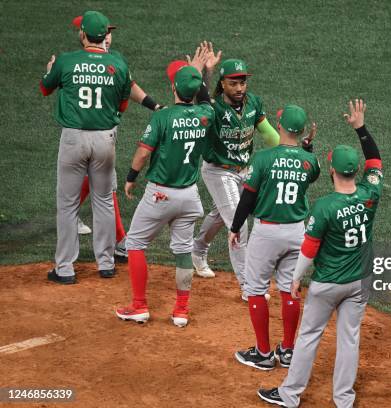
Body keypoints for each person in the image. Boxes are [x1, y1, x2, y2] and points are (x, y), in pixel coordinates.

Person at [257, 99, 383, 407]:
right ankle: (344, 400)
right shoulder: (371, 194)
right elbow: (376, 161)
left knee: (309, 336)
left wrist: (296, 278)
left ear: (331, 170)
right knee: (349, 339)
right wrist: (361, 129)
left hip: (328, 284)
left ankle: (290, 395)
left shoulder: (325, 207)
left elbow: (310, 248)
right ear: (356, 172)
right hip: (359, 282)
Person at [115, 48, 214, 327]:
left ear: (173, 88)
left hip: (160, 194)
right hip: (190, 197)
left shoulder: (162, 117)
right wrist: (200, 73)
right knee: (183, 251)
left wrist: (132, 176)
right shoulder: (207, 114)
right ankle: (181, 312)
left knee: (134, 244)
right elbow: (205, 98)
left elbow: (143, 153)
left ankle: (139, 306)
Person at [41, 11, 132, 284]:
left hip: (73, 139)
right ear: (105, 36)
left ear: (83, 35)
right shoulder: (119, 63)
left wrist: (49, 71)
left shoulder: (67, 60)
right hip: (105, 140)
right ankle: (105, 264)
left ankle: (65, 269)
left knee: (67, 205)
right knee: (104, 200)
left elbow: (45, 89)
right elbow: (124, 106)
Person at [229, 105, 320, 370]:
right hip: (296, 233)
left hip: (267, 232)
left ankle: (263, 354)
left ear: (279, 126)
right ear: (303, 131)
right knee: (290, 288)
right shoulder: (309, 161)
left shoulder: (263, 158)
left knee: (255, 289)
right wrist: (306, 148)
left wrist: (235, 227)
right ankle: (289, 350)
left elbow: (248, 197)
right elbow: (308, 171)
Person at [69, 15, 163, 264]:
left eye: (110, 31)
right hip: (87, 136)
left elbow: (129, 86)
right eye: (104, 32)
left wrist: (154, 106)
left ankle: (72, 213)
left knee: (95, 181)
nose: (108, 36)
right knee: (107, 184)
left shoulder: (110, 61)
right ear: (85, 34)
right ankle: (119, 242)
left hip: (99, 135)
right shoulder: (81, 63)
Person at [191, 53, 280, 291]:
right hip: (219, 171)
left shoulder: (253, 103)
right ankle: (247, 285)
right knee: (239, 224)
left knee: (222, 214)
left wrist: (286, 151)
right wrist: (207, 71)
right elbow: (201, 96)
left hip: (244, 170)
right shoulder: (214, 108)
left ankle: (197, 249)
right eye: (233, 83)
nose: (239, 88)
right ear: (222, 84)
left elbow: (269, 133)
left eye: (242, 82)